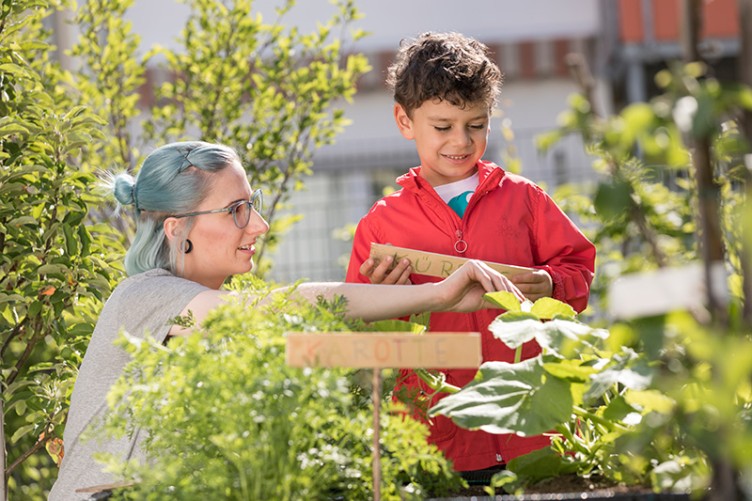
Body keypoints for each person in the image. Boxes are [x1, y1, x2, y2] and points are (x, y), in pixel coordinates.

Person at [49, 140, 527, 500]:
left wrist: (429, 304)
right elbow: (283, 311)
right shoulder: (144, 295)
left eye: (251, 205)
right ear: (178, 228)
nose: (258, 225)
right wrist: (438, 293)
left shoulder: (199, 306)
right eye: (237, 211)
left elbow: (301, 351)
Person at [345, 32, 596, 477]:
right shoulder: (381, 225)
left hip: (534, 430)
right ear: (405, 121)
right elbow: (360, 329)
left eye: (476, 125)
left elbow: (579, 270)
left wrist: (552, 282)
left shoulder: (524, 200)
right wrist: (386, 303)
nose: (461, 141)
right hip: (439, 437)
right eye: (442, 127)